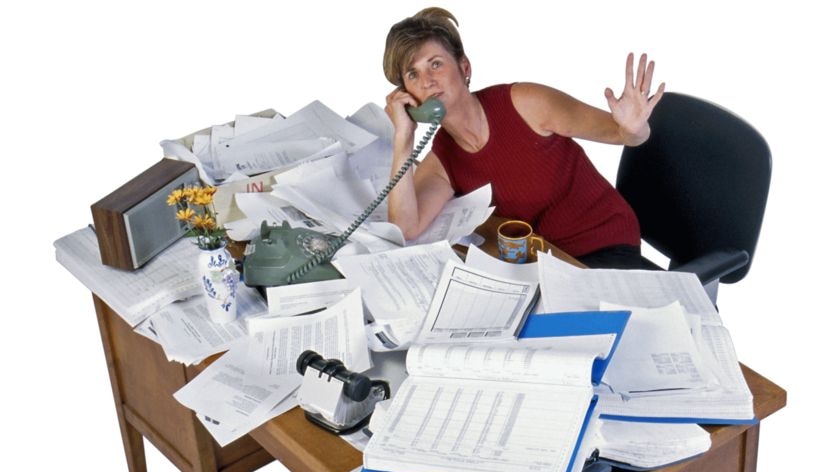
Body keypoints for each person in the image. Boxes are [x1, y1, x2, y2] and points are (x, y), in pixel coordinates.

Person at [382, 7, 665, 269]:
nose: (427, 81)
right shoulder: (443, 159)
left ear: (464, 68)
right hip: (544, 263)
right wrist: (403, 138)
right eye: (413, 74)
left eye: (435, 64)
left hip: (604, 246)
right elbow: (406, 228)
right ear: (407, 95)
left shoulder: (526, 104)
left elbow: (622, 134)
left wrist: (633, 128)